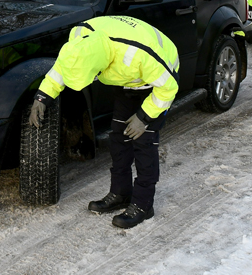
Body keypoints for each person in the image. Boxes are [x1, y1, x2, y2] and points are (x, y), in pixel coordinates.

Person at [28, 15, 179, 228]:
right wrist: (42, 96)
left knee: (143, 144)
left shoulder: (137, 55)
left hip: (159, 79)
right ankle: (120, 194)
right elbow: (64, 67)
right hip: (127, 80)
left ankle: (144, 205)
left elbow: (169, 87)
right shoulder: (80, 40)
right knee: (118, 139)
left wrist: (144, 117)